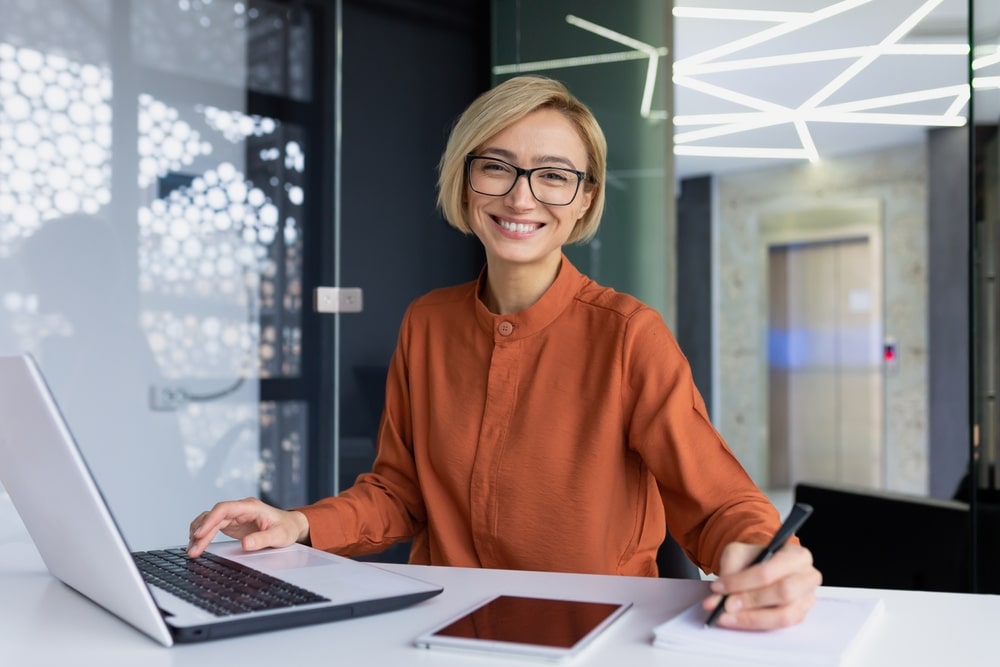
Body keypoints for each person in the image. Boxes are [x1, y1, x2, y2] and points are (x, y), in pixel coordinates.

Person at [188, 75, 821, 630]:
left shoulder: (628, 334)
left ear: (585, 200)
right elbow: (398, 492)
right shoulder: (427, 322)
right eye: (497, 166)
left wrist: (762, 550)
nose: (522, 197)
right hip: (437, 625)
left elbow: (719, 502)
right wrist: (297, 524)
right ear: (466, 182)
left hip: (594, 632)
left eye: (553, 175)